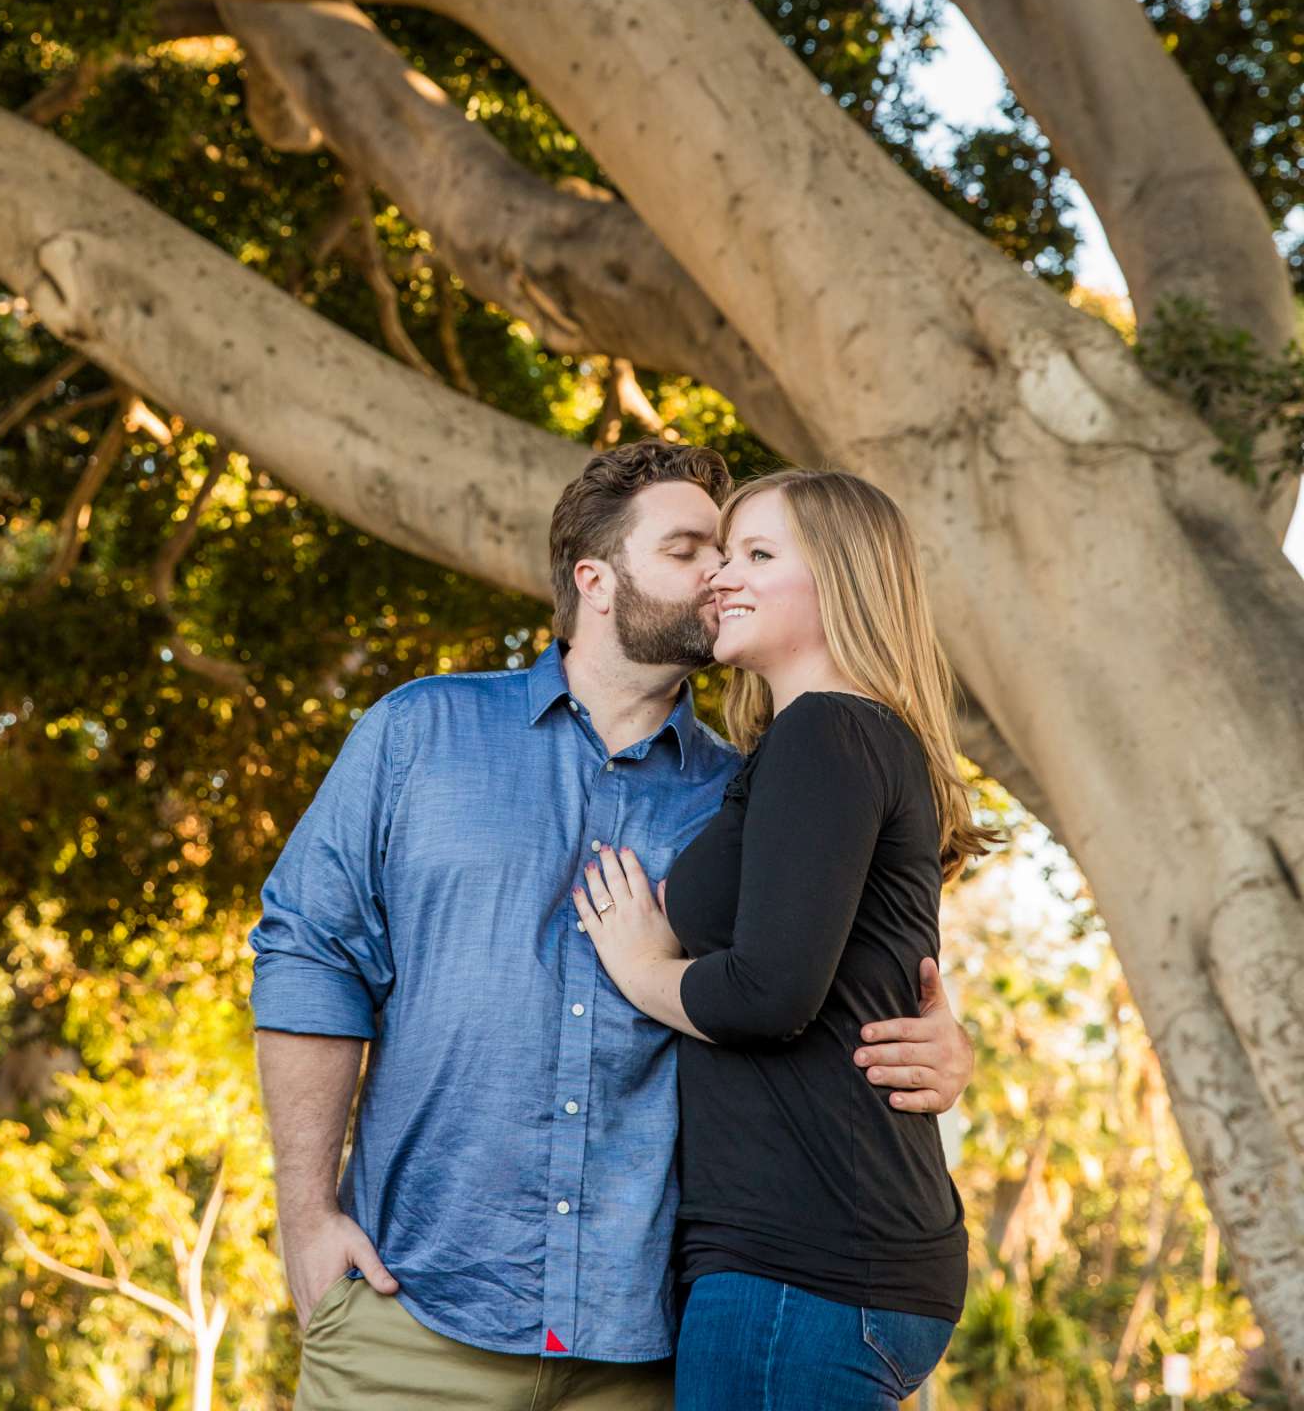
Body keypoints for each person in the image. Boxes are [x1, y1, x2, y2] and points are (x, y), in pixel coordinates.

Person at [251, 442, 973, 1410]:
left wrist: (946, 1045)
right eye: (691, 550)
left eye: (741, 554)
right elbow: (309, 958)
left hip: (647, 1342)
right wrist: (305, 1218)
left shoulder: (752, 787)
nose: (718, 574)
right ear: (595, 579)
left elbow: (847, 969)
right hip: (415, 1310)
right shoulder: (418, 735)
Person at [573, 468, 986, 1411]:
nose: (723, 575)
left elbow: (771, 995)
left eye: (758, 555)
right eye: (721, 554)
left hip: (804, 1262)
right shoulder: (821, 746)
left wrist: (642, 967)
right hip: (824, 1259)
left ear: (842, 581)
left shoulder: (828, 731)